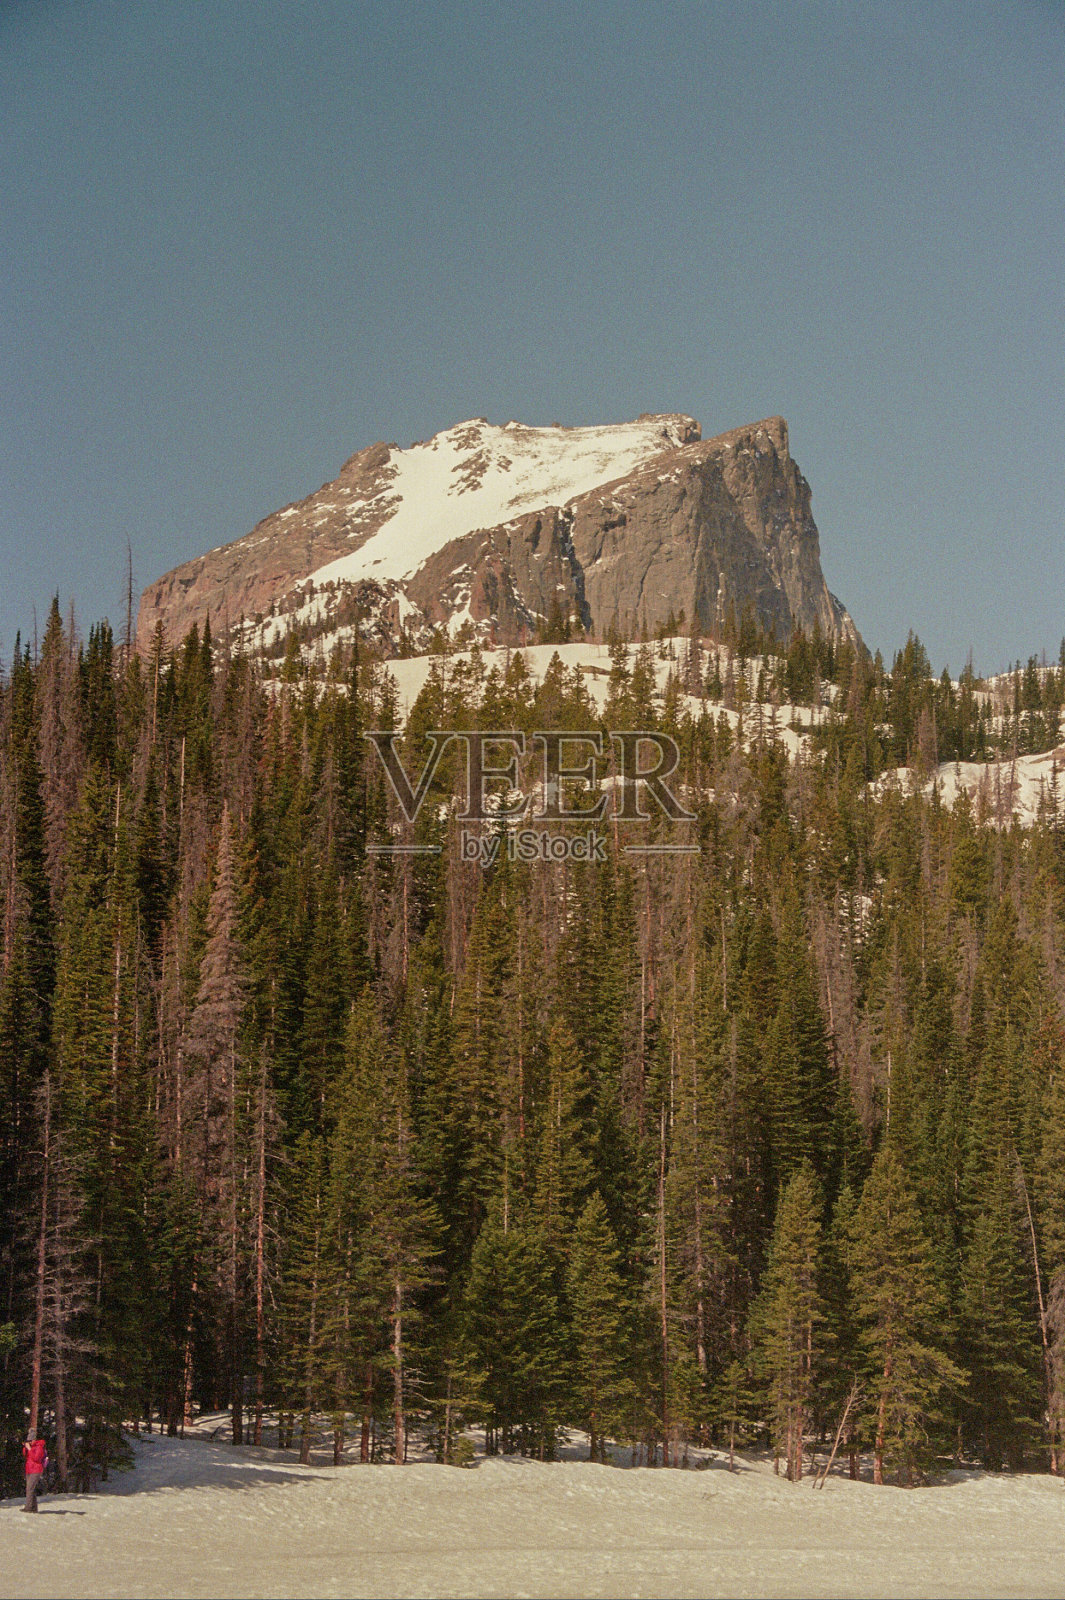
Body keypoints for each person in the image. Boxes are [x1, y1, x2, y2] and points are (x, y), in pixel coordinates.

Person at [23, 1435, 48, 1512]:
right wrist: (25, 1448)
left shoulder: (39, 1447)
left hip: (36, 1470)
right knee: (31, 1489)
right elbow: (25, 1455)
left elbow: (36, 1458)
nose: (29, 1442)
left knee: (29, 1488)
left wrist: (29, 1449)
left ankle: (29, 1507)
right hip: (29, 1469)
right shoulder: (31, 1447)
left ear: (34, 1440)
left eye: (30, 1441)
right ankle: (33, 1508)